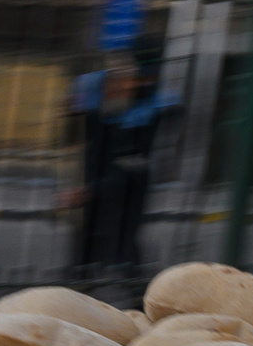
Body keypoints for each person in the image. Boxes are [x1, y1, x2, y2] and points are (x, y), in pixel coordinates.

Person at [67, 57, 174, 279]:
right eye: (114, 83)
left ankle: (132, 286)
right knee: (93, 240)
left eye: (126, 82)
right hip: (101, 186)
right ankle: (86, 277)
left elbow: (131, 163)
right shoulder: (104, 111)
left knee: (122, 241)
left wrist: (90, 190)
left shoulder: (141, 114)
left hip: (124, 189)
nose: (119, 88)